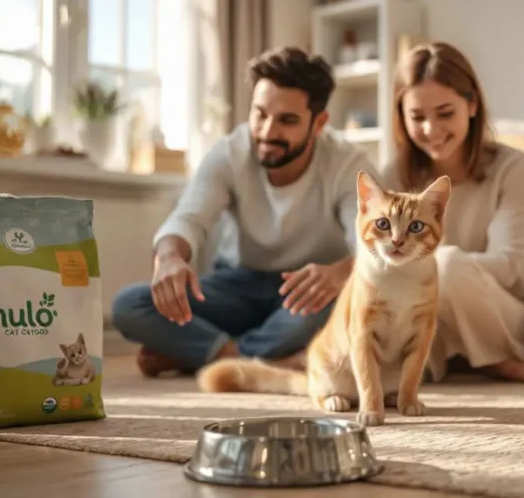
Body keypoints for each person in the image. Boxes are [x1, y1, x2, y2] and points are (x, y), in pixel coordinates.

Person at [112, 46, 379, 377]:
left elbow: (369, 243)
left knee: (333, 308)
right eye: (260, 114)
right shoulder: (229, 152)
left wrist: (341, 272)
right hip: (236, 286)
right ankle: (262, 359)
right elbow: (188, 218)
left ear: (319, 123)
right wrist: (168, 257)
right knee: (129, 305)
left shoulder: (348, 163)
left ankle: (200, 353)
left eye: (287, 120)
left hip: (306, 290)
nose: (267, 132)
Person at [382, 42, 524, 385]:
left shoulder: (513, 167)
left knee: (448, 265)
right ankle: (445, 360)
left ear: (471, 105)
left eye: (444, 113)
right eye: (417, 117)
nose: (430, 129)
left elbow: (505, 264)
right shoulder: (394, 174)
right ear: (401, 116)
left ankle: (499, 364)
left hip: (504, 316)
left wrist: (432, 268)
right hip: (429, 313)